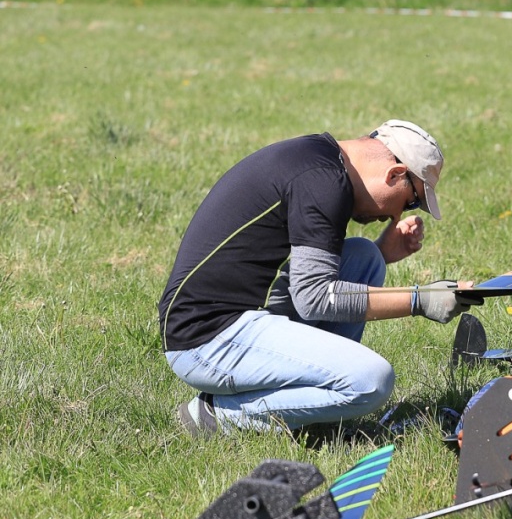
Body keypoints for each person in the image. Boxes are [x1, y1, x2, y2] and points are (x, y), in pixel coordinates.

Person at [159, 120, 481, 436]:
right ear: (395, 174)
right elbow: (315, 298)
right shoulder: (323, 182)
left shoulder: (320, 161)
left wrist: (382, 253)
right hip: (205, 340)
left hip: (228, 319)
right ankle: (218, 415)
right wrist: (420, 300)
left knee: (365, 258)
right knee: (371, 381)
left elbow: (308, 281)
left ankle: (319, 410)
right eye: (411, 201)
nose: (396, 215)